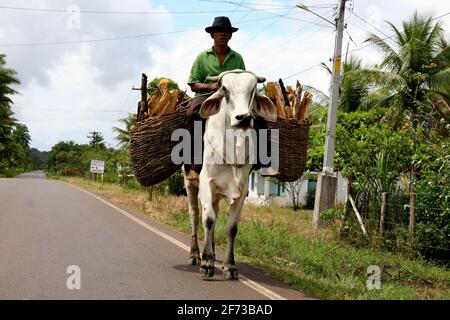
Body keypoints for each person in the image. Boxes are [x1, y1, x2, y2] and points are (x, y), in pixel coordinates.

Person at [184, 16, 246, 180]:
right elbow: (193, 84)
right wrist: (210, 86)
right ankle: (193, 167)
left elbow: (243, 80)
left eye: (226, 32)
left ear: (230, 35)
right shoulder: (202, 57)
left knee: (254, 117)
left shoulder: (237, 58)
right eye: (219, 32)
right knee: (192, 115)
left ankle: (263, 163)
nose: (223, 35)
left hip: (232, 97)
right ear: (212, 35)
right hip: (205, 96)